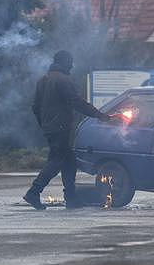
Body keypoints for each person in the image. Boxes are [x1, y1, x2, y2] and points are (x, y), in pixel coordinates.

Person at [23, 50, 110, 210]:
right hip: (61, 128)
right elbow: (77, 102)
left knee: (69, 162)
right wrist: (99, 115)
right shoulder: (63, 80)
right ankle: (34, 192)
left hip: (51, 127)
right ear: (64, 62)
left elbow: (35, 106)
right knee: (56, 161)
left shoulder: (43, 80)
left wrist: (44, 124)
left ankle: (71, 198)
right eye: (70, 62)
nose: (72, 65)